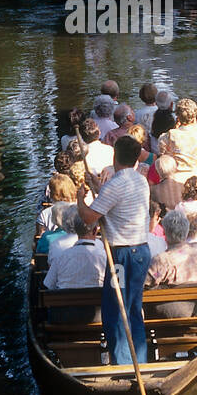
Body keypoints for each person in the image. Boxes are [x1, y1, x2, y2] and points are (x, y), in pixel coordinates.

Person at [76, 135, 151, 366]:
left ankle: (124, 365)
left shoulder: (116, 185)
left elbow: (88, 218)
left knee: (116, 311)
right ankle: (140, 360)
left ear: (115, 155)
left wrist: (80, 198)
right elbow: (114, 196)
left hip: (121, 257)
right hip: (141, 253)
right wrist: (98, 186)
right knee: (133, 308)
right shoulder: (140, 180)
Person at [145, 210, 197, 316]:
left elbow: (143, 283)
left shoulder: (162, 260)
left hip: (170, 313)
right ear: (186, 230)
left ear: (165, 233)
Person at [43, 212, 106, 290]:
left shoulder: (61, 257)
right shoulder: (105, 258)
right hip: (97, 301)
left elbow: (49, 285)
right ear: (95, 230)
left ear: (76, 230)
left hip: (64, 301)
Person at [159, 97, 197, 181]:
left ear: (178, 116)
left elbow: (161, 149)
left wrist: (175, 128)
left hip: (177, 177)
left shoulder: (172, 134)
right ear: (195, 116)